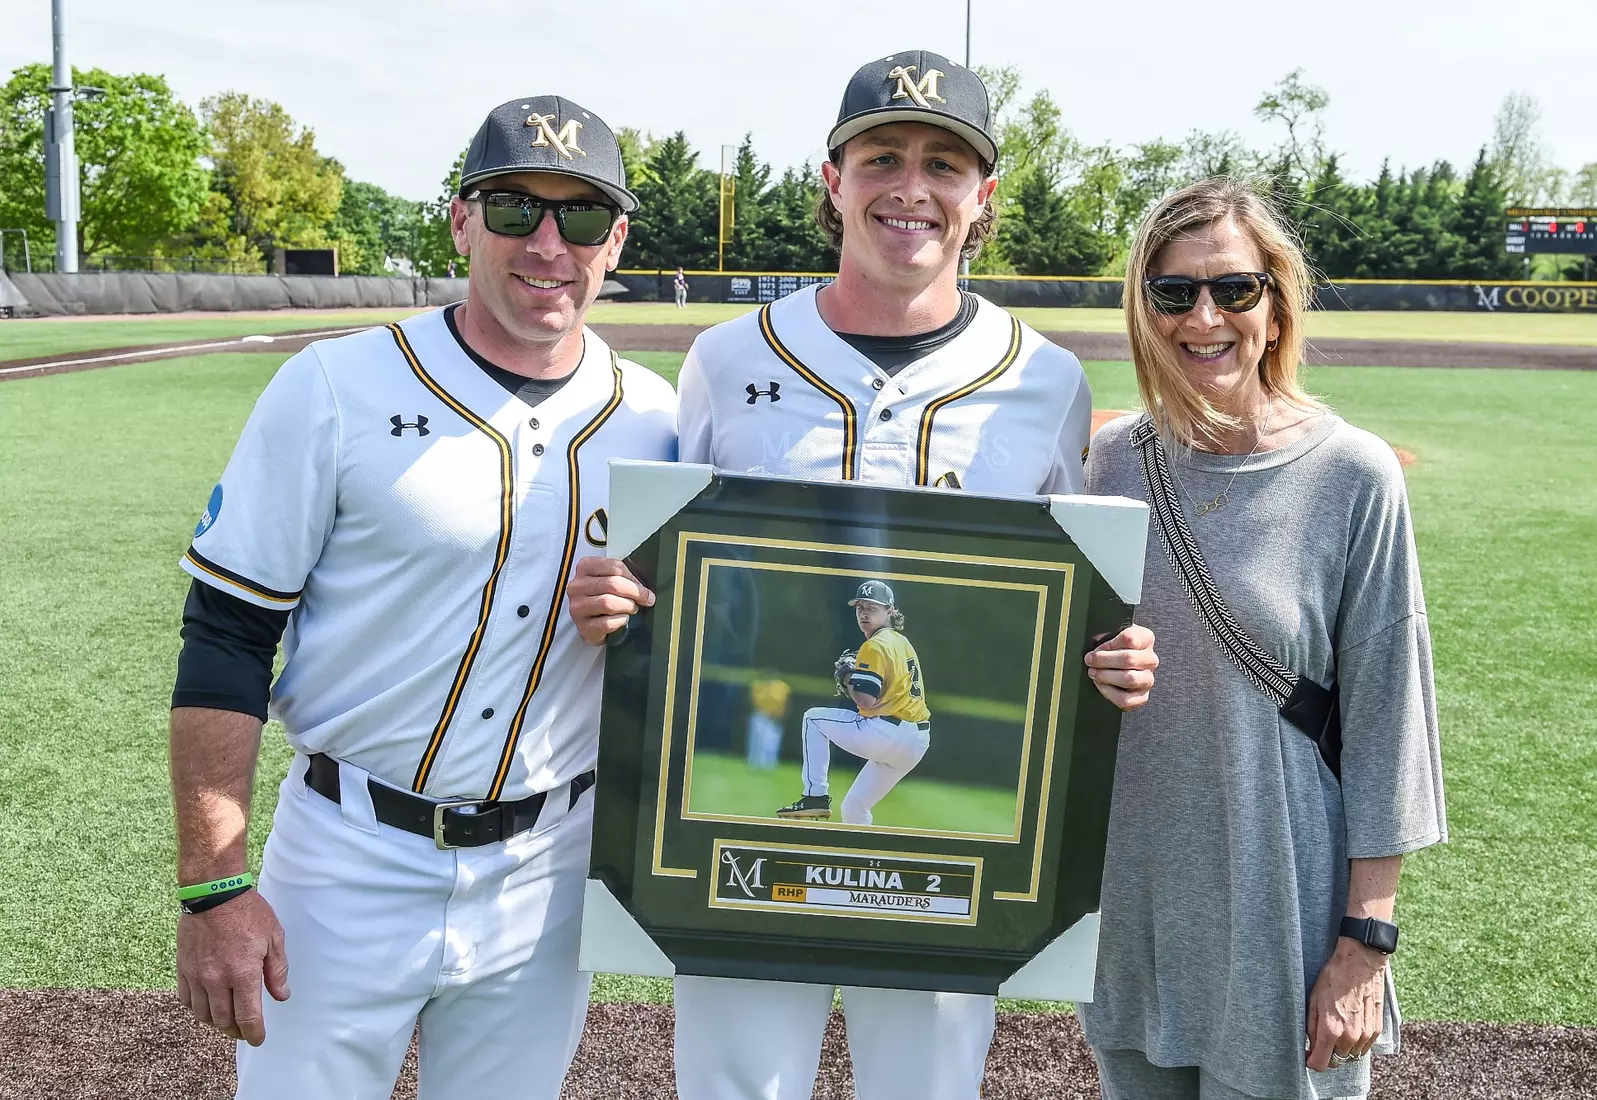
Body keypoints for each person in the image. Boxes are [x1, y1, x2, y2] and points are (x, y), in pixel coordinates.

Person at [568, 49, 1158, 1100]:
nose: (910, 186)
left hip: (952, 855)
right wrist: (616, 594)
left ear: (983, 198)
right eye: (881, 154)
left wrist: (1109, 653)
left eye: (945, 162)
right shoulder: (727, 357)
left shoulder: (1045, 381)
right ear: (833, 179)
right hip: (726, 841)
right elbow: (667, 572)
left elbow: (1065, 599)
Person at [167, 94, 675, 1098]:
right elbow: (226, 635)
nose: (546, 242)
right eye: (513, 208)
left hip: (547, 875)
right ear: (459, 219)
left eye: (578, 216)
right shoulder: (335, 386)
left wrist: (646, 616)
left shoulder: (658, 420)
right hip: (346, 857)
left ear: (614, 239)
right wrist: (215, 882)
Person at [1078, 177, 1447, 1100]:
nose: (1205, 316)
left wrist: (1366, 947)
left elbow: (1390, 725)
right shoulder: (1112, 460)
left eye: (1234, 289)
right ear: (1145, 309)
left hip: (1283, 905)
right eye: (1174, 293)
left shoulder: (1353, 475)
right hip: (1136, 908)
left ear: (1277, 305)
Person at [777, 579, 930, 823]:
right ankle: (864, 858)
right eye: (860, 608)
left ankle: (814, 796)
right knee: (854, 807)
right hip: (917, 742)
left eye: (872, 608)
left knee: (813, 719)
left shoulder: (874, 645)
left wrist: (848, 676)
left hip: (885, 732)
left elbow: (866, 700)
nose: (865, 614)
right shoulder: (903, 642)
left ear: (890, 611)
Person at [746, 676, 790, 769]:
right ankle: (754, 762)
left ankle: (769, 763)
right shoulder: (759, 686)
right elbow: (755, 702)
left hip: (774, 718)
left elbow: (785, 705)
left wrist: (779, 716)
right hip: (761, 715)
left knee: (772, 742)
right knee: (757, 741)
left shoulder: (782, 688)